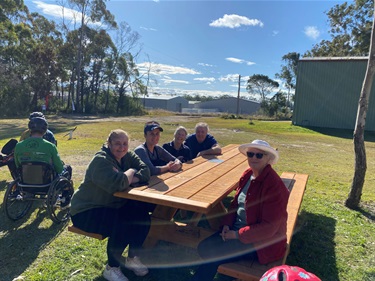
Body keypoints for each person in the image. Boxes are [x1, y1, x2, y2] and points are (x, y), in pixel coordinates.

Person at [190, 139, 290, 281]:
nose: (254, 158)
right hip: (238, 231)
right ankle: (225, 275)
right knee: (204, 247)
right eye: (250, 154)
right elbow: (235, 204)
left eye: (259, 155)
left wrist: (236, 235)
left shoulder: (274, 186)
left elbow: (269, 228)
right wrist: (226, 224)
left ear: (268, 159)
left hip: (262, 243)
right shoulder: (248, 174)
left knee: (211, 252)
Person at [70, 129, 151, 281]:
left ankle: (133, 259)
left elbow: (145, 170)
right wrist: (132, 171)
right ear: (109, 144)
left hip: (112, 205)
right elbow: (118, 184)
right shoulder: (100, 161)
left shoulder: (128, 155)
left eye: (125, 143)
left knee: (142, 216)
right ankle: (112, 268)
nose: (121, 147)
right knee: (121, 224)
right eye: (117, 144)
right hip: (85, 211)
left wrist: (129, 173)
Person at [14, 117, 72, 207]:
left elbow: (17, 164)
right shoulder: (50, 146)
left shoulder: (19, 145)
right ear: (45, 130)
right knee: (67, 168)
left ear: (30, 129)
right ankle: (65, 200)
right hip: (46, 184)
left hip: (25, 182)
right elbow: (59, 168)